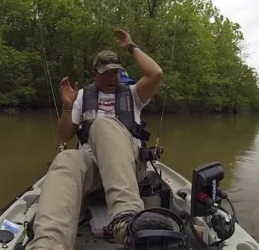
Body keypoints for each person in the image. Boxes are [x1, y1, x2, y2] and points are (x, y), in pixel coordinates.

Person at [26, 29, 163, 250]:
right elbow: (64, 135)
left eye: (116, 72)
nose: (113, 78)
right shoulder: (82, 96)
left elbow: (155, 73)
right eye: (106, 73)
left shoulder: (134, 93)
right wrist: (67, 105)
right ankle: (47, 244)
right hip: (92, 166)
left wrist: (130, 45)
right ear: (94, 73)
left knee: (103, 124)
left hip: (128, 167)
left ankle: (126, 219)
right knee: (66, 159)